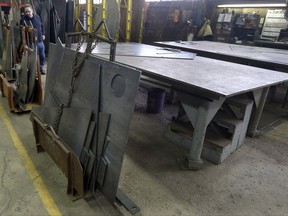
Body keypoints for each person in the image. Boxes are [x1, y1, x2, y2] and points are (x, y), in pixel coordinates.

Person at [20, 4, 46, 75]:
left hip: (40, 40)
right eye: (26, 12)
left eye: (28, 11)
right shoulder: (23, 20)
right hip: (31, 42)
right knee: (33, 57)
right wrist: (24, 42)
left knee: (42, 55)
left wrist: (43, 34)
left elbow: (42, 25)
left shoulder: (37, 17)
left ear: (32, 10)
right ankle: (35, 71)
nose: (28, 13)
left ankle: (41, 68)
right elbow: (22, 32)